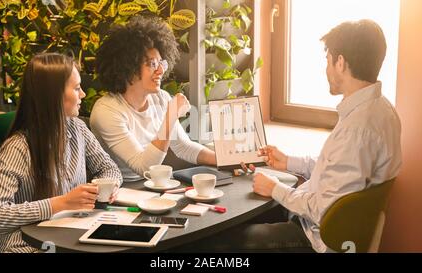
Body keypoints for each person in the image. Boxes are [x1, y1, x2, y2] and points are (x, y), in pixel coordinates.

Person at [183, 19, 402, 253]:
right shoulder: (382, 111)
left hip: (316, 239)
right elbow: (338, 170)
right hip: (333, 229)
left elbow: (322, 209)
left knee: (217, 241)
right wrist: (288, 162)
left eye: (327, 61)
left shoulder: (357, 129)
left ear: (340, 62)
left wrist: (275, 187)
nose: (325, 70)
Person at [0, 53, 122, 253]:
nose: (83, 94)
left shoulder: (77, 128)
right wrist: (61, 203)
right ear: (54, 95)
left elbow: (109, 168)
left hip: (66, 237)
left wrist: (107, 187)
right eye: (76, 88)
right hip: (23, 246)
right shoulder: (18, 147)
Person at [90, 15, 216, 181]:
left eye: (161, 63)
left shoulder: (161, 98)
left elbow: (184, 148)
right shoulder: (107, 111)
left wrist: (229, 160)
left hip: (156, 185)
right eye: (152, 64)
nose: (161, 71)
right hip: (123, 191)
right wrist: (170, 116)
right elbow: (145, 168)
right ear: (129, 67)